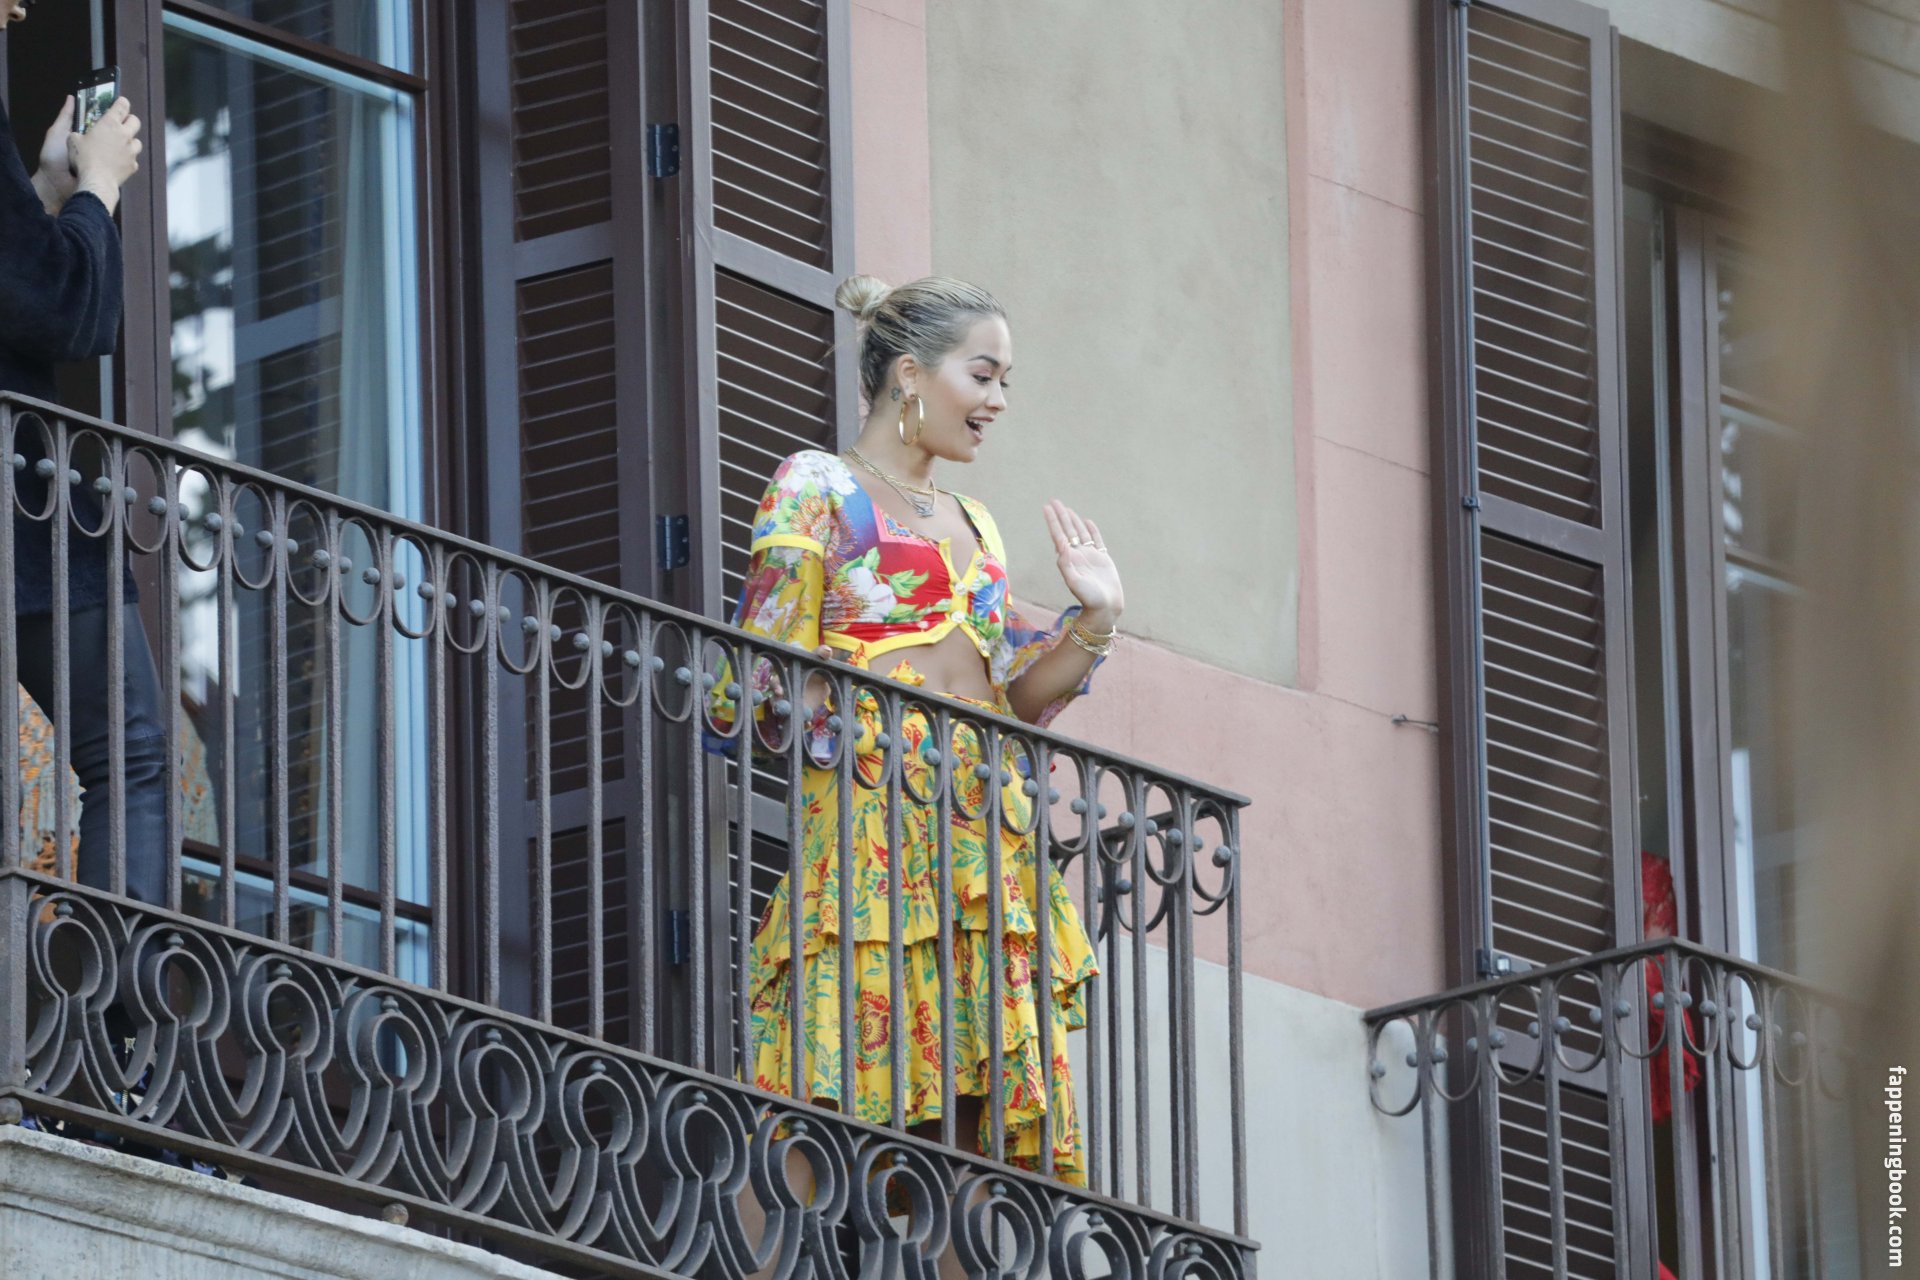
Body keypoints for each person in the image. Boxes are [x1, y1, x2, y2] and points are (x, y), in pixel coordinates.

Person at [715, 274, 1119, 1182]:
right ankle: (760, 1244)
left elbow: (1014, 695)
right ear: (909, 374)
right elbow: (765, 670)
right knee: (828, 1071)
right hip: (872, 808)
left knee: (975, 1105)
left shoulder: (977, 522)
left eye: (1005, 380)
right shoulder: (815, 484)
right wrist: (841, 715)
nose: (998, 401)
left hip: (980, 830)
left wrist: (1096, 618)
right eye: (984, 375)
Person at [0, 0, 163, 905]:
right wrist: (98, 186)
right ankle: (124, 997)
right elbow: (62, 311)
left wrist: (46, 193)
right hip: (18, 516)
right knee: (130, 759)